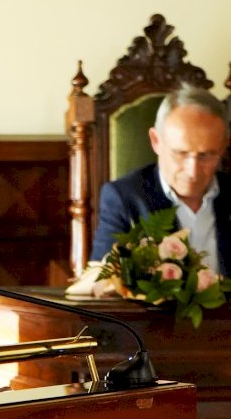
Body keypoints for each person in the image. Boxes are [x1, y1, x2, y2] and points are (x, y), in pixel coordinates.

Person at [90, 84, 231, 276]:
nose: (193, 171)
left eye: (206, 155)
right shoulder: (123, 199)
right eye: (181, 153)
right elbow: (101, 278)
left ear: (223, 146)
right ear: (156, 141)